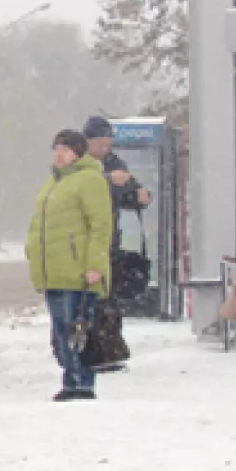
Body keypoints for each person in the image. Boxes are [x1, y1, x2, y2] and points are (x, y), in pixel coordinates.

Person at [25, 130, 114, 402]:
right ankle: (70, 378)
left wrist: (95, 264)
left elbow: (100, 225)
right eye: (56, 150)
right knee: (62, 329)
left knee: (79, 328)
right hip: (54, 271)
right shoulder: (53, 182)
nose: (59, 155)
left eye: (64, 149)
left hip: (78, 272)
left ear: (78, 152)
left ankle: (83, 381)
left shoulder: (89, 180)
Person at [82, 116, 147, 368]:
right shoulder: (80, 164)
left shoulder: (114, 163)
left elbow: (129, 192)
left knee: (109, 298)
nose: (104, 149)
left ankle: (110, 349)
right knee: (91, 299)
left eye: (107, 144)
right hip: (85, 242)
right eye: (99, 144)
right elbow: (80, 189)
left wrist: (139, 194)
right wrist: (108, 181)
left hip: (110, 241)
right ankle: (91, 350)